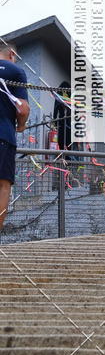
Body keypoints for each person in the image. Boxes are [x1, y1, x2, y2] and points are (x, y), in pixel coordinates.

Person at [0, 42, 30, 230]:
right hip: (3, 135)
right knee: (2, 186)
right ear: (11, 53)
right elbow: (22, 108)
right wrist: (21, 125)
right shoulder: (16, 71)